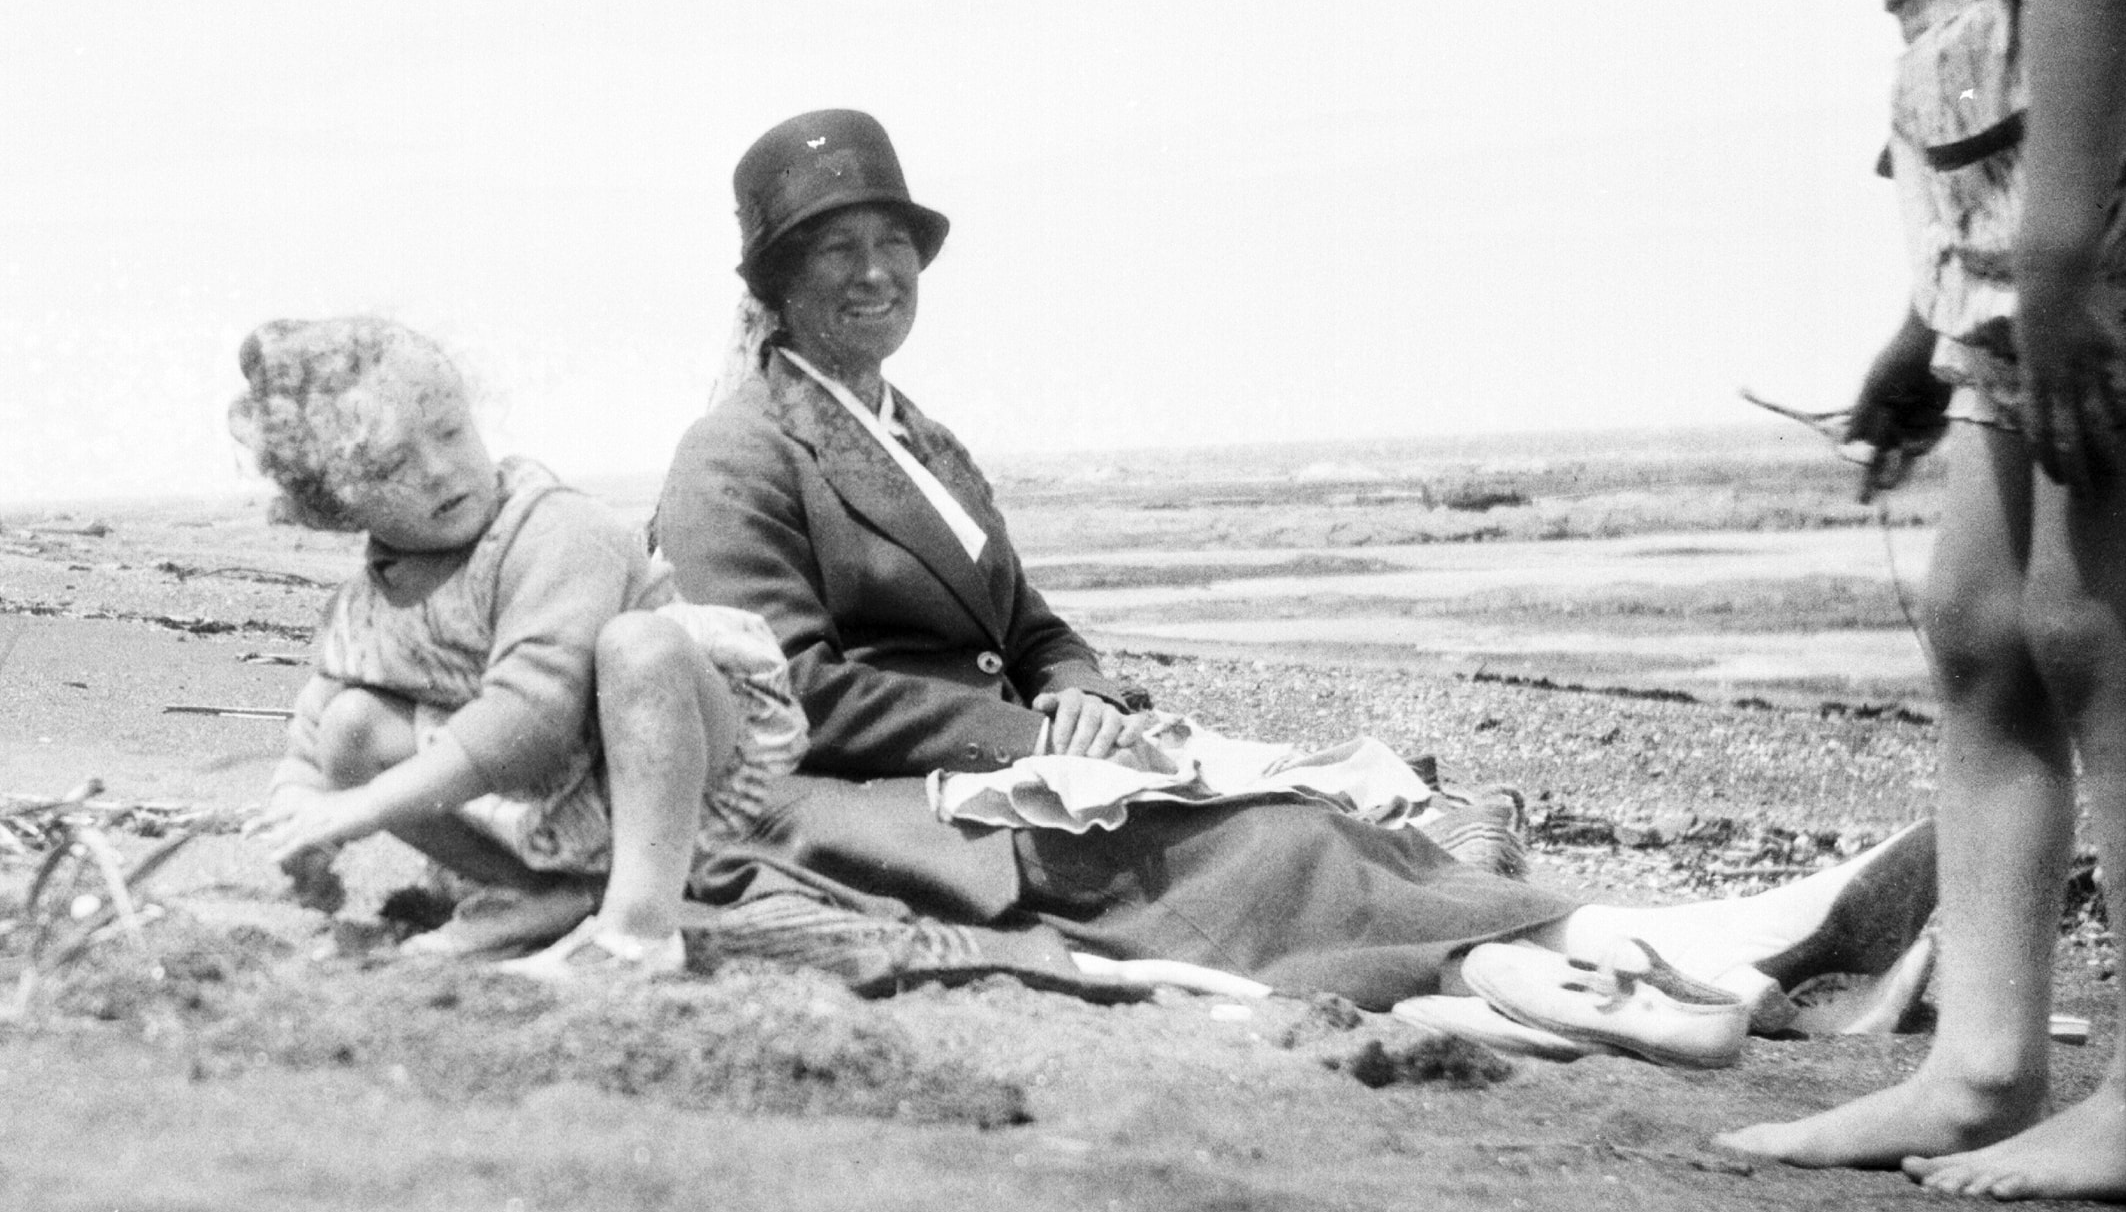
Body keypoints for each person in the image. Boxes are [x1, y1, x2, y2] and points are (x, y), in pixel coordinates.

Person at [655, 107, 1933, 1021]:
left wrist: (1077, 687)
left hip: (1010, 760)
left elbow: (1024, 619)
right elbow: (785, 695)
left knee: (1339, 808)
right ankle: (1700, 945)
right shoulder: (738, 449)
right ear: (779, 280)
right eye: (837, 249)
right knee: (1264, 844)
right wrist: (1021, 742)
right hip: (871, 801)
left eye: (892, 243)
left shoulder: (912, 432)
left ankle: (1670, 952)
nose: (877, 272)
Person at [1428, 0, 2126, 1199]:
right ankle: (1982, 1063)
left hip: (2090, 194)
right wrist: (1925, 315)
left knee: (2092, 620)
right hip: (2006, 234)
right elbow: (1964, 32)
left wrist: (2068, 254)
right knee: (1974, 617)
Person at [229, 315, 808, 979]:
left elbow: (528, 720)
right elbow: (312, 741)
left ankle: (638, 929)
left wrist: (358, 810)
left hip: (667, 752)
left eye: (449, 431)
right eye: (392, 464)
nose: (440, 469)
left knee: (638, 644)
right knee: (348, 727)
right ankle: (540, 895)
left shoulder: (555, 528)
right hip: (544, 790)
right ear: (338, 502)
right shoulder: (363, 608)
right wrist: (302, 827)